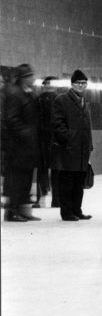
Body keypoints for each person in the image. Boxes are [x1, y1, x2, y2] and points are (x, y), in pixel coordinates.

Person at [51, 70, 93, 221]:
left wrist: (90, 145)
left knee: (78, 183)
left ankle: (77, 209)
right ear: (72, 84)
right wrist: (68, 139)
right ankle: (66, 212)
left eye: (84, 83)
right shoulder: (61, 100)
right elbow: (57, 123)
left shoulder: (84, 102)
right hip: (68, 149)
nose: (82, 86)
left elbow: (87, 126)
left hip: (82, 149)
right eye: (79, 83)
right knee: (67, 182)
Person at [2, 64, 42, 222]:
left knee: (25, 179)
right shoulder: (15, 94)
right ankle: (11, 212)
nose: (33, 78)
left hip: (27, 146)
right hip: (17, 146)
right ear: (23, 78)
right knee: (16, 180)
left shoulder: (27, 93)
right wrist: (26, 133)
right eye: (30, 76)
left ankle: (23, 210)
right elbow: (11, 119)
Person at [36, 76, 59, 208]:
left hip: (42, 140)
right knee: (56, 170)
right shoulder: (60, 100)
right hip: (55, 140)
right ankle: (56, 200)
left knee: (42, 170)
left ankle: (40, 199)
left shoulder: (38, 99)